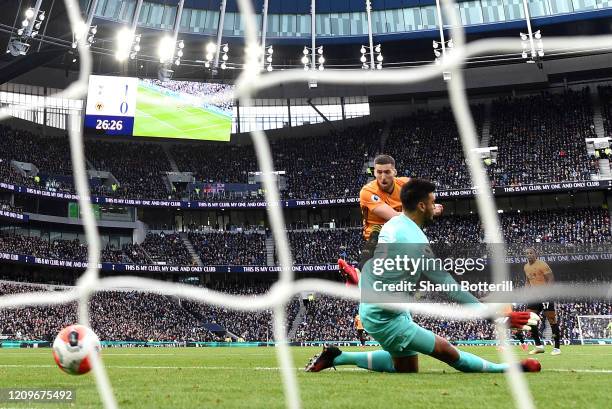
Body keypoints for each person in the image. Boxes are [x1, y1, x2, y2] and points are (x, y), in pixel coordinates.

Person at [307, 179, 541, 374]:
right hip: (385, 318)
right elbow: (448, 285)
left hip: (387, 309)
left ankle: (336, 357)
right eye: (432, 202)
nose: (435, 206)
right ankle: (509, 369)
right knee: (449, 353)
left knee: (406, 368)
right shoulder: (413, 241)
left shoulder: (396, 221)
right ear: (420, 206)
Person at [338, 154, 442, 286]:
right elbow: (393, 216)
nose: (383, 177)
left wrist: (430, 206)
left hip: (402, 233)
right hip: (379, 233)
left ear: (394, 172)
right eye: (379, 172)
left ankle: (360, 275)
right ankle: (358, 274)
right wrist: (428, 210)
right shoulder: (367, 191)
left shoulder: (405, 184)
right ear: (374, 172)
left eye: (387, 172)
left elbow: (428, 193)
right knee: (379, 231)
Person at [524, 248, 561, 356]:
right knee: (529, 318)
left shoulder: (542, 265)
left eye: (531, 253)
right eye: (527, 253)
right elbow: (527, 281)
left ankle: (557, 348)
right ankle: (539, 346)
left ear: (536, 254)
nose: (529, 255)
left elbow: (551, 279)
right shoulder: (526, 267)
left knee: (551, 320)